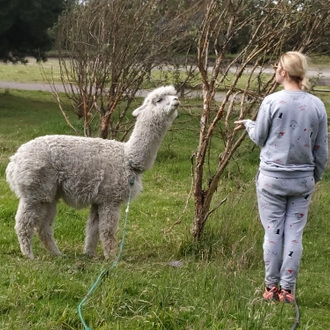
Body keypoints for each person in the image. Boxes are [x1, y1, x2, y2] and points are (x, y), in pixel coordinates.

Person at [234, 51, 328, 303]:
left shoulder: (271, 102)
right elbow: (321, 149)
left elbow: (259, 137)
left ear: (284, 72)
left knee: (272, 232)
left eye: (276, 67)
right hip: (302, 181)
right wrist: (313, 177)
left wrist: (248, 124)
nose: (274, 70)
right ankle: (287, 291)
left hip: (271, 181)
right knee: (294, 234)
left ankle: (270, 288)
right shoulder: (317, 105)